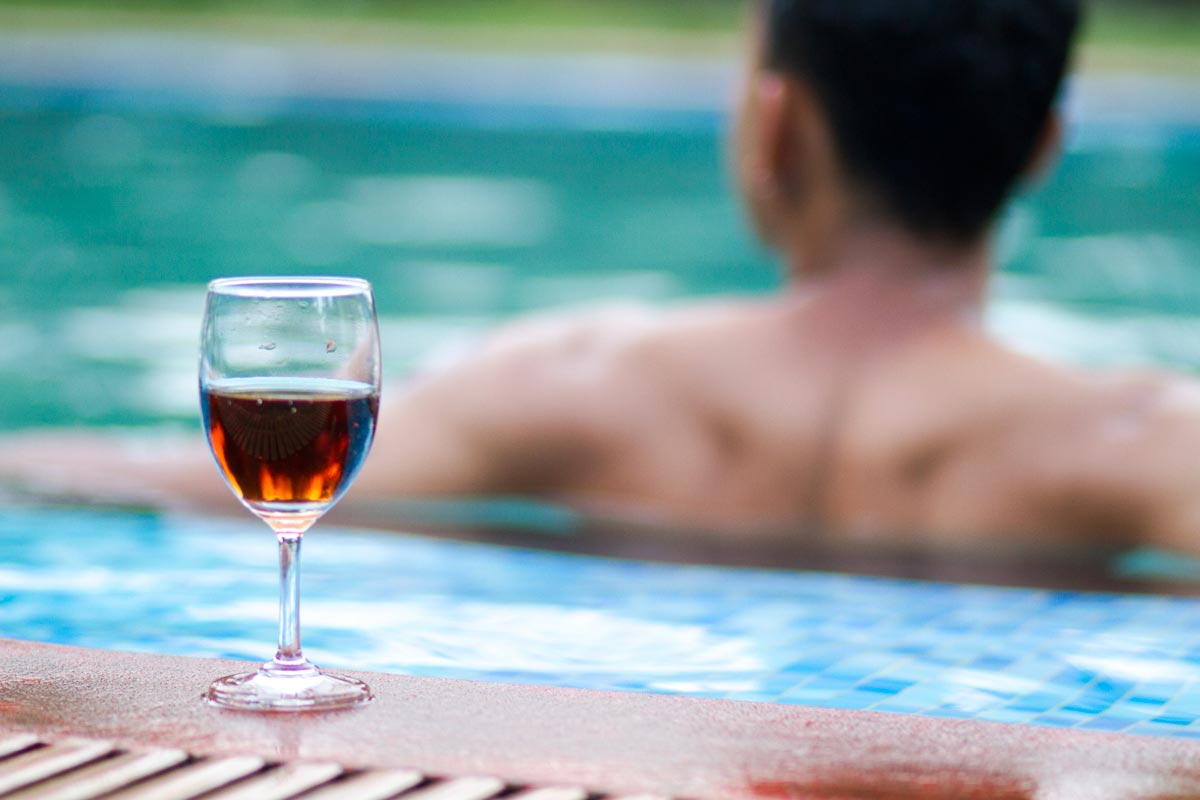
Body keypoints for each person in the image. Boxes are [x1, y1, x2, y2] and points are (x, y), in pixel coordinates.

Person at [7, 0, 1196, 555]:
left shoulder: (581, 385)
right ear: (1046, 144)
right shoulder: (1138, 443)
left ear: (772, 127)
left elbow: (175, 488)